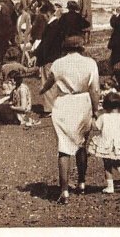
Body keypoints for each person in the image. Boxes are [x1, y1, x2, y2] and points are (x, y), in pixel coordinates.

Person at [39, 36, 100, 204]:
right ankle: (81, 182)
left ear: (65, 48)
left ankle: (64, 190)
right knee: (82, 144)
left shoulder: (58, 63)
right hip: (82, 102)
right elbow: (95, 90)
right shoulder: (90, 63)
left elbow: (49, 82)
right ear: (81, 47)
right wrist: (96, 110)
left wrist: (42, 90)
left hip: (64, 103)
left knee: (64, 148)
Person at [88, 93, 120, 194]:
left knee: (107, 164)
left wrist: (92, 118)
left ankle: (110, 187)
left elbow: (95, 128)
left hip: (106, 143)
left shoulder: (103, 117)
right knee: (116, 160)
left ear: (106, 106)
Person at [34, 3, 63, 116]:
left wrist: (38, 56)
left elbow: (46, 44)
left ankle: (50, 108)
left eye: (44, 16)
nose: (44, 18)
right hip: (55, 57)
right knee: (53, 82)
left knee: (48, 82)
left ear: (49, 13)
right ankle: (54, 106)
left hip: (49, 58)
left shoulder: (52, 26)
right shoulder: (57, 24)